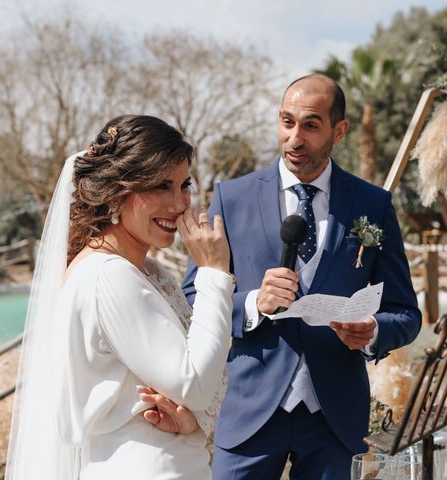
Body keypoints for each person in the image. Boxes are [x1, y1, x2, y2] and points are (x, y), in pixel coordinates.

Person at [179, 74, 422, 479]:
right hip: (250, 411)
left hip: (334, 419)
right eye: (286, 122)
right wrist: (254, 303)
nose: (294, 138)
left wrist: (374, 330)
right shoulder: (232, 197)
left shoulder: (372, 204)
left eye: (310, 125)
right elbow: (193, 295)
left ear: (338, 131)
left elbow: (406, 312)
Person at [5, 115, 235, 480]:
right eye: (161, 186)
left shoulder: (151, 273)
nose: (179, 204)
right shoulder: (108, 275)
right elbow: (195, 383)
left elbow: (198, 384)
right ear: (117, 191)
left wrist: (193, 423)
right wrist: (214, 273)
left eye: (184, 185)